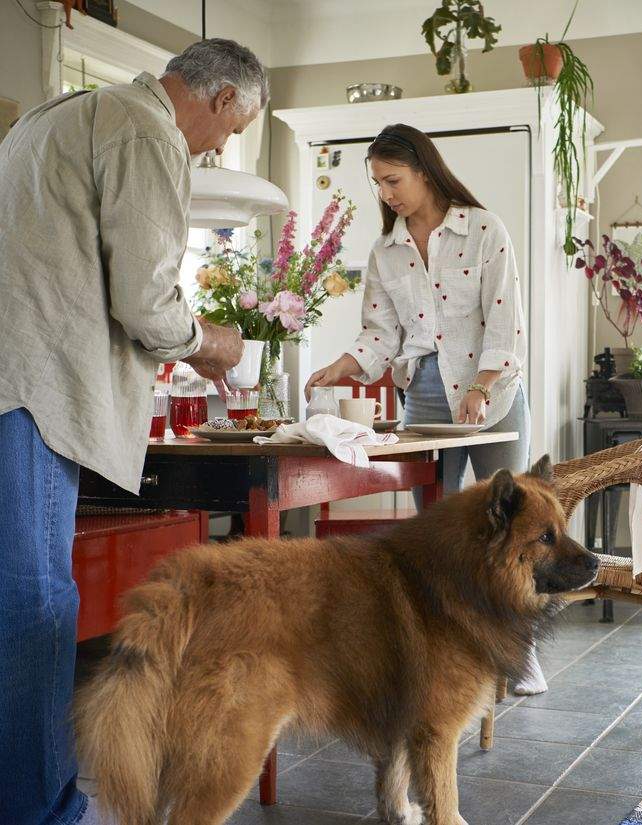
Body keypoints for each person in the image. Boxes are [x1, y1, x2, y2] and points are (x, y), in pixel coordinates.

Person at [0, 38, 267, 825]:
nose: (220, 148)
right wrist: (213, 341)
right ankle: (42, 814)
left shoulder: (62, 117)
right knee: (36, 609)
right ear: (220, 100)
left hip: (12, 385)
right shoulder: (145, 129)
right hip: (35, 396)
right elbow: (148, 302)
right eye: (232, 129)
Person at [304, 124, 547, 694]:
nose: (386, 193)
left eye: (394, 180)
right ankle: (447, 653)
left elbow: (505, 319)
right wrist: (344, 365)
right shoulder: (385, 251)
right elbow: (380, 334)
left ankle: (523, 652)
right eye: (379, 184)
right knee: (438, 531)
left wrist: (483, 385)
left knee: (517, 528)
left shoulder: (483, 229)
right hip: (425, 397)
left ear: (424, 170)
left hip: (492, 393)